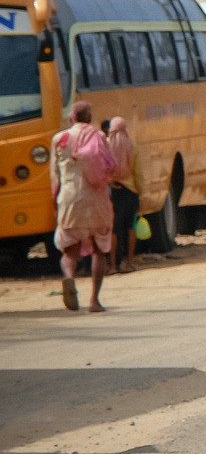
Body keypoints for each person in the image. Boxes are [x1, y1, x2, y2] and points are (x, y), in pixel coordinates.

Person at [51, 100, 115, 312]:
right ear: (90, 118)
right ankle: (94, 301)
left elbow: (55, 177)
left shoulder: (59, 139)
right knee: (99, 250)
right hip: (97, 200)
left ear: (71, 117)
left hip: (69, 199)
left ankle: (69, 277)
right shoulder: (99, 137)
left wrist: (55, 202)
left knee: (70, 251)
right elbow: (110, 167)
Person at [106, 117, 141, 273]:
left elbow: (101, 169)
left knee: (114, 229)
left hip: (113, 192)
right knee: (131, 227)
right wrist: (140, 192)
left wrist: (109, 180)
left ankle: (113, 265)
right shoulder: (133, 147)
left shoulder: (106, 146)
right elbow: (139, 174)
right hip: (131, 191)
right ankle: (129, 262)